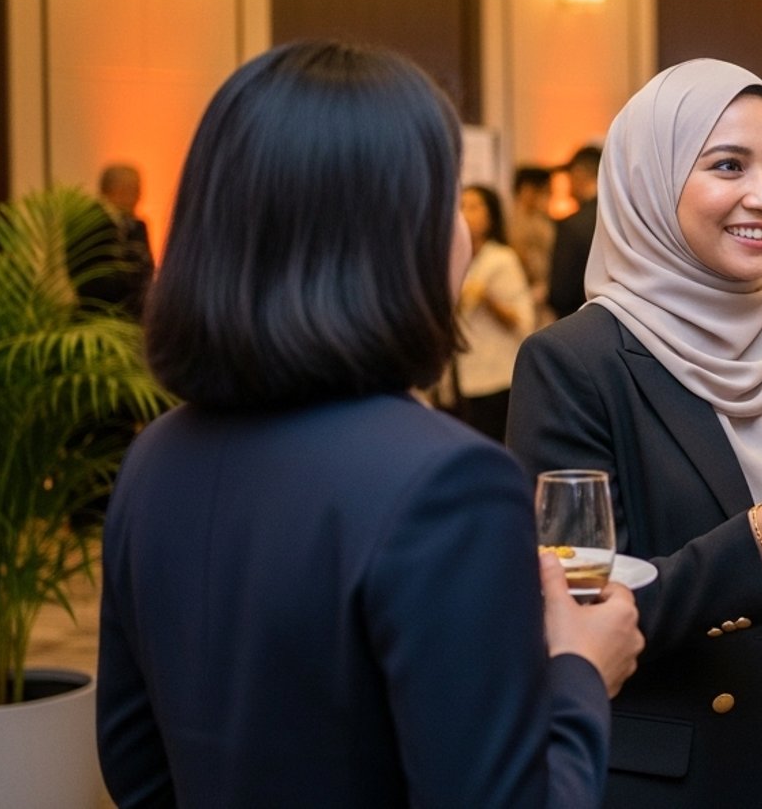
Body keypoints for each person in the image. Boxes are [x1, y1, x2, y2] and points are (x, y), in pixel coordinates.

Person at [97, 40, 641, 807]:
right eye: (449, 197)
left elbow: (136, 764)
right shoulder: (448, 480)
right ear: (394, 232)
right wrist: (582, 672)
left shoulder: (155, 455)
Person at [506, 59, 762, 808]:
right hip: (678, 776)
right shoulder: (577, 363)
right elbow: (571, 609)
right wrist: (758, 541)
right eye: (728, 165)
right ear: (650, 183)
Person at [455, 184, 536, 442]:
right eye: (461, 206)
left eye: (473, 206)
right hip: (465, 372)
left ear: (491, 216)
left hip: (498, 376)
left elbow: (524, 321)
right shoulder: (458, 257)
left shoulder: (501, 259)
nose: (465, 213)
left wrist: (488, 299)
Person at [75, 162, 155, 317]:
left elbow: (147, 266)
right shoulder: (91, 225)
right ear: (114, 191)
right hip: (101, 315)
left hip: (134, 314)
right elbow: (92, 277)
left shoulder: (138, 226)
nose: (139, 196)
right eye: (134, 189)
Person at [548, 145, 602, 317]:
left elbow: (561, 294)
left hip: (579, 322)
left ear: (579, 173)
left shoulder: (572, 226)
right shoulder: (624, 217)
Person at [509, 164, 558, 325]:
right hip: (523, 291)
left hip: (545, 293)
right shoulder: (513, 220)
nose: (548, 196)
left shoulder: (542, 220)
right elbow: (519, 255)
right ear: (527, 190)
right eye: (545, 191)